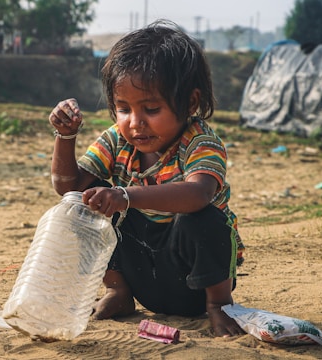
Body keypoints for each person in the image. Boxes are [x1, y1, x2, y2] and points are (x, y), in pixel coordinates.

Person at [48, 20, 245, 338]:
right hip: (144, 277)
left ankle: (221, 306)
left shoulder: (199, 142)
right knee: (91, 203)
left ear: (190, 103)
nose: (135, 123)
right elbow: (68, 187)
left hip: (196, 283)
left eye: (151, 108)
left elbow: (198, 194)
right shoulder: (117, 141)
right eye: (123, 109)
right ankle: (118, 291)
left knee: (204, 219)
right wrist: (65, 136)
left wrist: (126, 195)